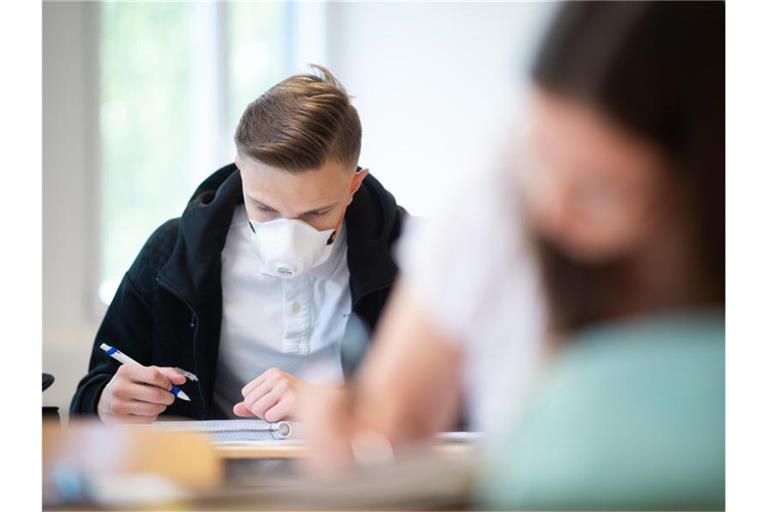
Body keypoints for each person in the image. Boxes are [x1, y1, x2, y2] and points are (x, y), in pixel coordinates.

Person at [301, 4, 724, 507]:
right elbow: (395, 419)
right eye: (541, 153)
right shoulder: (494, 210)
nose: (553, 209)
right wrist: (352, 442)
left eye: (601, 189)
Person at [70, 65, 408, 425]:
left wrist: (337, 405)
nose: (289, 235)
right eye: (264, 208)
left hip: (363, 478)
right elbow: (86, 401)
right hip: (211, 478)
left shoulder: (413, 254)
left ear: (354, 186)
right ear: (241, 170)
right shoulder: (173, 254)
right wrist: (106, 402)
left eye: (316, 213)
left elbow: (463, 403)